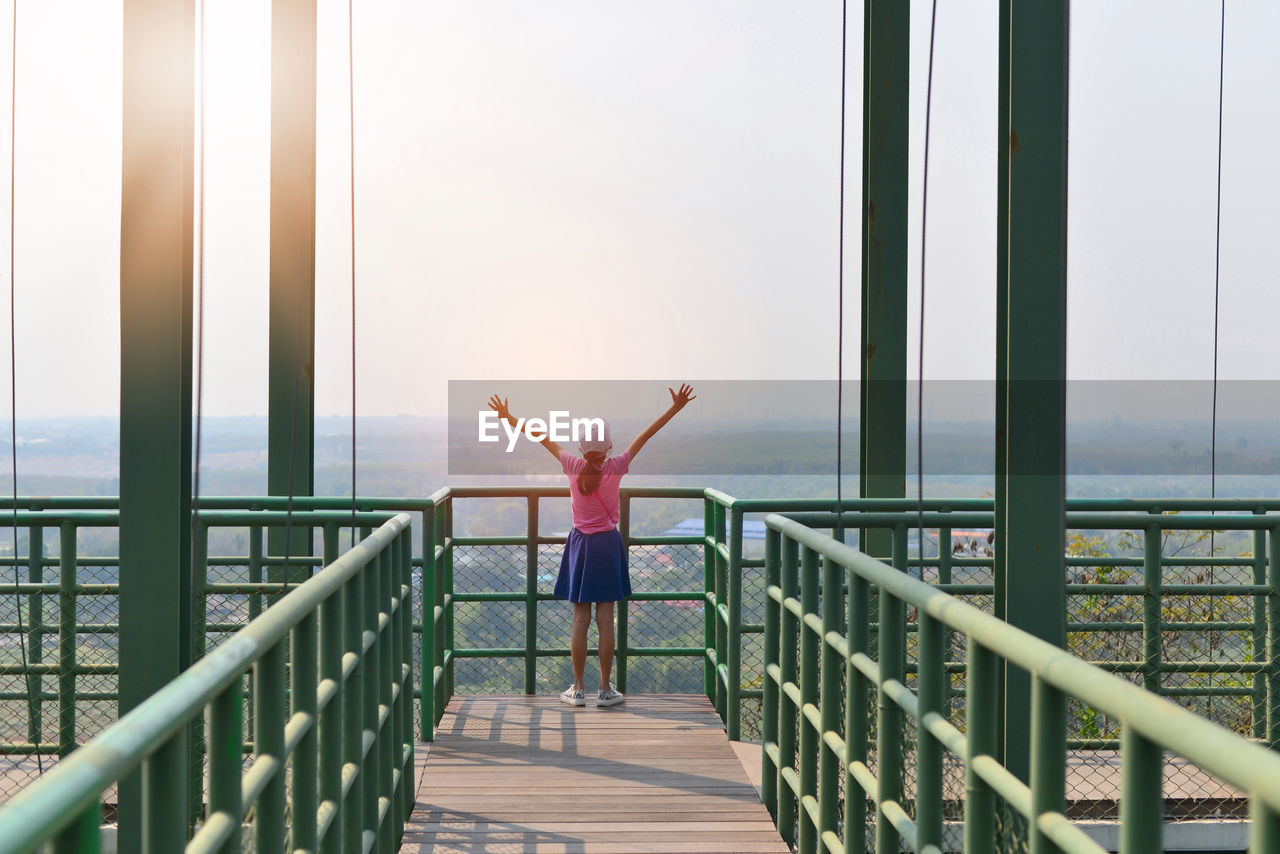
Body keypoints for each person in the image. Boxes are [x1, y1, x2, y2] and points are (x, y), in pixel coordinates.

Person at [486, 384, 696, 707]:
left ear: (582, 447)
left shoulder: (571, 465)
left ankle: (579, 688)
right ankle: (605, 689)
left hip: (580, 546)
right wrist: (675, 408)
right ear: (609, 445)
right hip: (608, 545)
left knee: (579, 619)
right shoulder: (617, 466)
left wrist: (507, 416)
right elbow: (646, 435)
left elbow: (540, 436)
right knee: (606, 618)